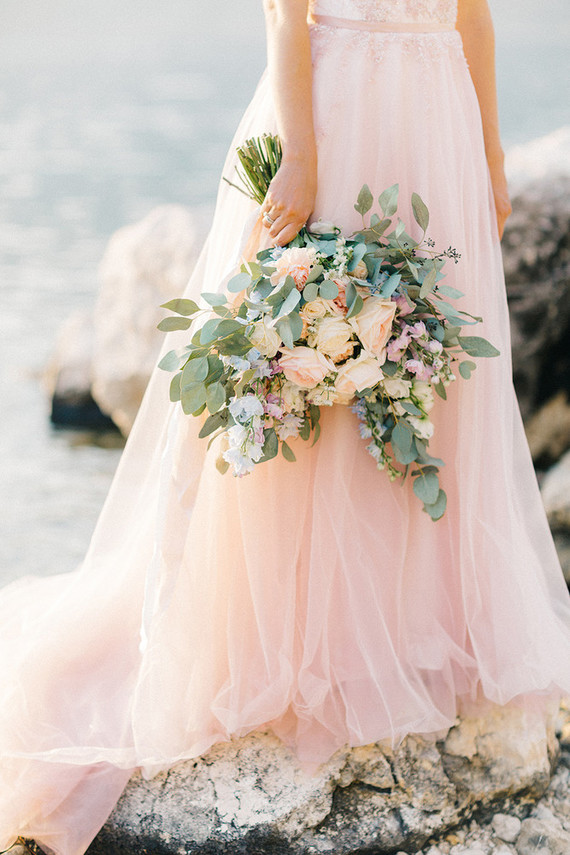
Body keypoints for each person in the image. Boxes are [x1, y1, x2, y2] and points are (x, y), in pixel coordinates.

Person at [1, 1, 570, 853]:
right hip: (336, 113)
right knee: (314, 372)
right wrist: (299, 155)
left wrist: (489, 151)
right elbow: (283, 8)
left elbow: (475, 14)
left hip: (438, 119)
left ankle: (411, 621)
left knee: (422, 368)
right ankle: (304, 640)